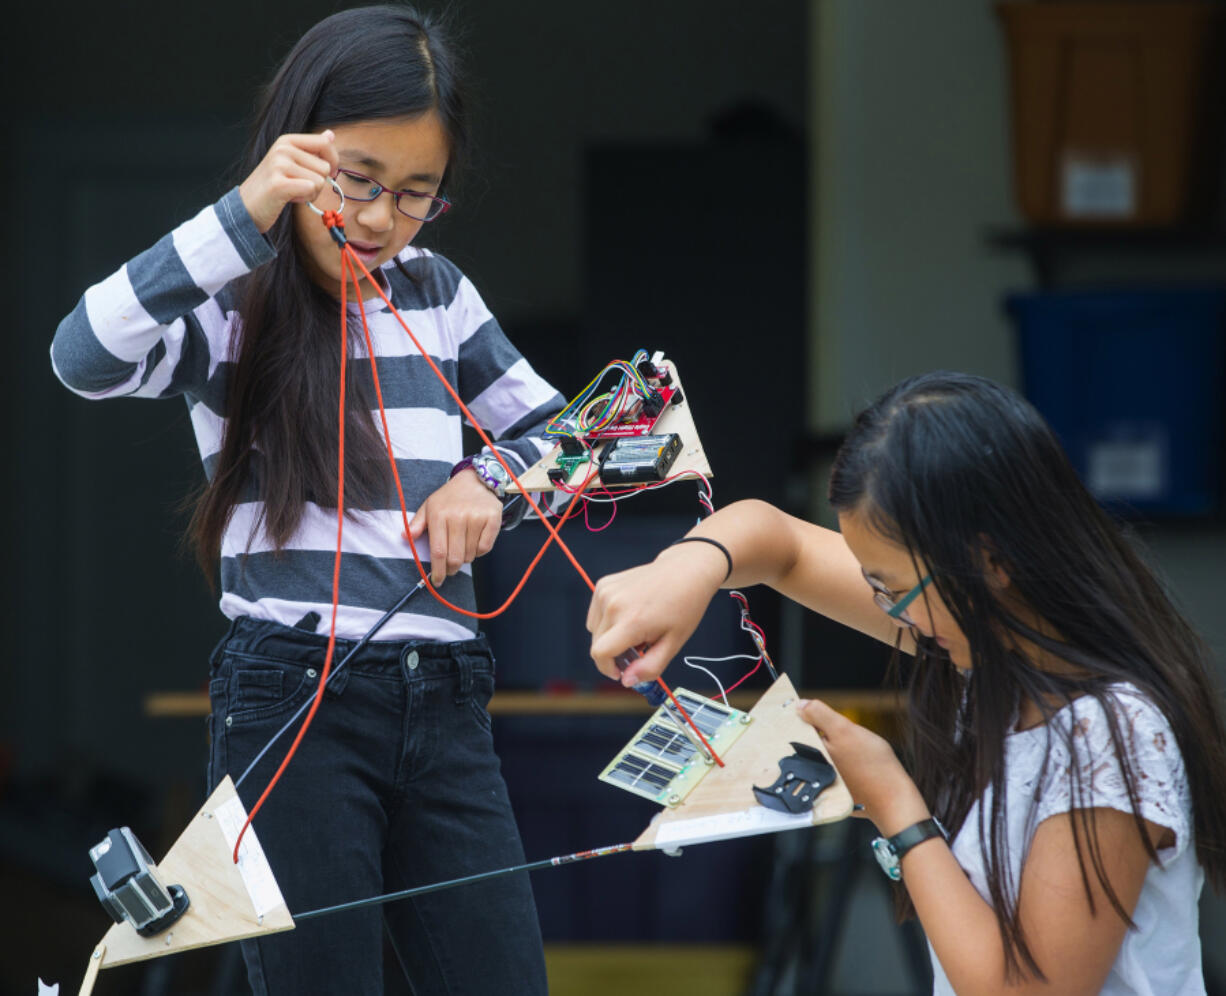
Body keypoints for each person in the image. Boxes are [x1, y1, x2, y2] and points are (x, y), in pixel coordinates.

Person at [51, 6, 560, 993]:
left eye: (416, 195)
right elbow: (83, 354)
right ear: (298, 150)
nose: (378, 219)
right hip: (291, 702)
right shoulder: (234, 304)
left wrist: (486, 480)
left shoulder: (437, 295)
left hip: (450, 704)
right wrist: (242, 217)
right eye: (358, 181)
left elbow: (575, 435)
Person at [588, 371, 1226, 994]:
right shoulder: (987, 651)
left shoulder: (1108, 733)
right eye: (874, 587)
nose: (892, 614)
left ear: (990, 561)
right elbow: (777, 541)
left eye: (894, 590)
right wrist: (684, 571)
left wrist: (895, 800)